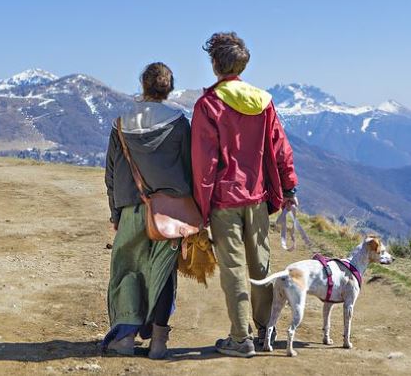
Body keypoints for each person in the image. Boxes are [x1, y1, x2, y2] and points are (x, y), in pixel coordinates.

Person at [191, 32, 299, 358]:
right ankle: (266, 329)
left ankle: (241, 339)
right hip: (258, 198)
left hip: (224, 202)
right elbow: (280, 149)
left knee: (234, 270)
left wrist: (201, 209)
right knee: (261, 266)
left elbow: (204, 164)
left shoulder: (209, 105)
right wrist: (290, 187)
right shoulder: (263, 102)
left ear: (214, 64)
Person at [102, 62, 191, 359]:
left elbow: (112, 172)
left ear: (143, 86)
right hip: (171, 212)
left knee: (128, 270)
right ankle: (158, 342)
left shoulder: (122, 123)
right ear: (170, 88)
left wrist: (116, 213)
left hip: (131, 208)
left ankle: (125, 339)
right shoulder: (179, 123)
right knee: (163, 274)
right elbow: (190, 169)